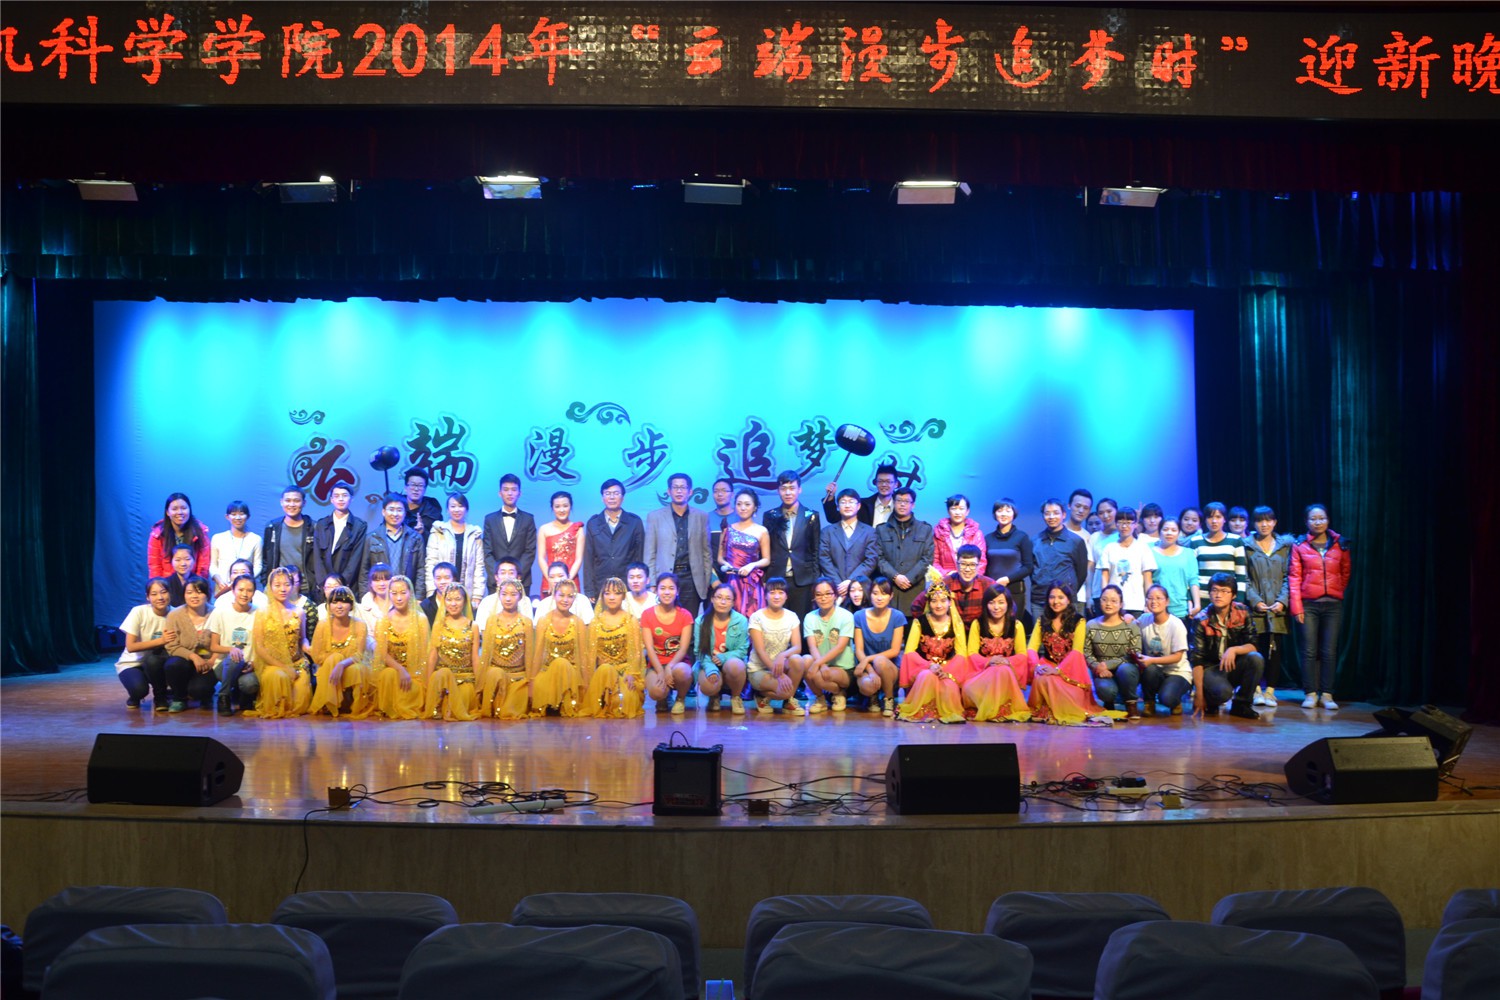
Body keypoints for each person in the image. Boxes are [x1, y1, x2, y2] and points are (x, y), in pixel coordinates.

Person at [1289, 503, 1351, 711]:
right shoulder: (1299, 545)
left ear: (1328, 520)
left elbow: (1345, 572)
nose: (1318, 522)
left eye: (1321, 518)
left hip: (1333, 605)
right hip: (1308, 605)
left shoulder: (1340, 543)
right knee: (1308, 650)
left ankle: (1327, 694)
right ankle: (1310, 693)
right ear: (1306, 522)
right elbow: (1294, 577)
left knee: (1329, 651)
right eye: (1313, 519)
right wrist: (1297, 607)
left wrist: (1336, 589)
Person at [1188, 572, 1266, 719]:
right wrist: (1199, 695)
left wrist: (1234, 650)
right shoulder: (1201, 619)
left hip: (1232, 665)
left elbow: (1253, 644)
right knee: (1223, 693)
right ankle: (1210, 699)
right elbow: (1196, 660)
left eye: (1224, 591)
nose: (1218, 595)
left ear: (1233, 595)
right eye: (1215, 590)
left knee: (1256, 659)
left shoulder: (1243, 611)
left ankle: (1241, 705)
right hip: (1210, 668)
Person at [1027, 584, 1108, 725]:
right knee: (1042, 678)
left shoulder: (1079, 621)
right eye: (1052, 597)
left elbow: (1077, 651)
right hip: (1048, 665)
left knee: (1050, 680)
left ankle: (1059, 710)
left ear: (1068, 600)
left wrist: (1058, 670)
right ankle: (1045, 712)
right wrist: (1037, 667)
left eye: (1060, 597)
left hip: (1071, 670)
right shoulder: (1042, 620)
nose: (1055, 601)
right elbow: (1031, 649)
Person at [897, 581, 973, 724]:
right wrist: (929, 666)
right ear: (928, 603)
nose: (939, 605)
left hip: (947, 670)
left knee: (948, 686)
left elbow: (961, 654)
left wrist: (946, 671)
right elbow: (909, 652)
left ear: (950, 602)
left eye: (943, 601)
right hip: (923, 668)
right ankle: (925, 711)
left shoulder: (956, 624)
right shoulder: (919, 622)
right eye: (934, 601)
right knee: (927, 677)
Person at [961, 585, 1034, 723]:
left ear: (1008, 604)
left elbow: (1022, 655)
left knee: (1002, 670)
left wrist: (1007, 662)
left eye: (1001, 602)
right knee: (995, 672)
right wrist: (990, 661)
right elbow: (971, 653)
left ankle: (996, 709)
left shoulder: (1016, 625)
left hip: (1006, 675)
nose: (996, 607)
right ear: (985, 604)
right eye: (991, 602)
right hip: (981, 677)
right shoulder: (978, 624)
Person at [1245, 506, 1294, 708]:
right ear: (1254, 523)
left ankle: (1271, 692)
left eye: (1268, 520)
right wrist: (1255, 601)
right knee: (1255, 650)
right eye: (1259, 520)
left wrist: (1282, 601)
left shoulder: (1285, 546)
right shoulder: (1247, 546)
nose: (1264, 524)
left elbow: (1290, 576)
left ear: (1274, 522)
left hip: (1277, 608)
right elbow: (1245, 578)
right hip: (1255, 609)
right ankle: (1256, 689)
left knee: (1275, 650)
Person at [644, 472, 712, 617]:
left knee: (690, 620)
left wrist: (705, 581)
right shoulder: (655, 517)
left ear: (690, 491)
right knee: (665, 620)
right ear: (669, 491)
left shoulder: (701, 516)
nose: (679, 491)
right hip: (665, 577)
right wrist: (652, 583)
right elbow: (650, 553)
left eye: (683, 487)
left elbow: (706, 552)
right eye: (675, 487)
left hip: (692, 579)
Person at [580, 576, 646, 719]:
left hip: (625, 672)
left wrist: (632, 674)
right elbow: (590, 656)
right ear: (602, 596)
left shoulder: (631, 620)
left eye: (616, 593)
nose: (611, 597)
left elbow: (636, 652)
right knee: (605, 670)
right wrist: (588, 682)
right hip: (603, 673)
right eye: (607, 593)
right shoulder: (595, 622)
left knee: (626, 703)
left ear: (623, 596)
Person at [250, 567, 312, 719]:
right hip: (273, 664)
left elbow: (302, 639)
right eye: (277, 585)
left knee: (299, 705)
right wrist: (284, 667)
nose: (282, 589)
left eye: (287, 584)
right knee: (278, 678)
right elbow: (259, 647)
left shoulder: (299, 612)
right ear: (270, 587)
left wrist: (309, 648)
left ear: (293, 586)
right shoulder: (262, 613)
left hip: (296, 662)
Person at [763, 471, 822, 619]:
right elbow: (766, 549)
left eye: (792, 488)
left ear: (799, 489)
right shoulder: (770, 516)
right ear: (778, 491)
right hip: (776, 577)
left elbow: (816, 550)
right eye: (783, 488)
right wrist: (765, 578)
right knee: (776, 620)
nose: (788, 492)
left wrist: (815, 580)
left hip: (803, 579)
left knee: (801, 620)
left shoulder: (811, 515)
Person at [747, 577, 810, 715]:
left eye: (781, 592)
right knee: (785, 691)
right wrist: (780, 676)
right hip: (759, 669)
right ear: (765, 596)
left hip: (780, 666)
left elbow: (797, 647)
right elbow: (760, 651)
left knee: (798, 659)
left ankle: (788, 702)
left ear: (786, 596)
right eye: (772, 592)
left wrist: (782, 655)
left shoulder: (792, 616)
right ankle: (761, 695)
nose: (776, 596)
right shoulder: (757, 617)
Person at [371, 574, 429, 720]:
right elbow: (381, 653)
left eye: (403, 593)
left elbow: (425, 653)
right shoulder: (383, 621)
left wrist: (411, 673)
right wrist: (400, 669)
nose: (399, 598)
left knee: (413, 690)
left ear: (410, 594)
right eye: (394, 593)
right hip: (392, 672)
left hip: (414, 674)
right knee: (388, 674)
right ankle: (389, 707)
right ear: (389, 594)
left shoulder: (421, 620)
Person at [307, 585, 370, 719]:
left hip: (350, 665)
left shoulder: (360, 625)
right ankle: (330, 703)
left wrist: (341, 664)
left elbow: (359, 655)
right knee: (335, 657)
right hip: (328, 667)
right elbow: (317, 657)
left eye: (344, 602)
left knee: (359, 670)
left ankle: (353, 707)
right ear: (329, 605)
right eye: (335, 602)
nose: (339, 606)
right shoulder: (322, 625)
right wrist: (336, 660)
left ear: (351, 605)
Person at [530, 578, 590, 716]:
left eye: (570, 596)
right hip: (548, 673)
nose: (565, 600)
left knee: (562, 663)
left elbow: (583, 656)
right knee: (558, 664)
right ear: (554, 596)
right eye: (561, 595)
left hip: (571, 674)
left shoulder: (578, 623)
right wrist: (532, 681)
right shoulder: (544, 620)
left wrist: (586, 684)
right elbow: (537, 653)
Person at [115, 578, 176, 711]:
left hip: (158, 662)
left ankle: (162, 696)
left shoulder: (176, 613)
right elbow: (131, 647)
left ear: (170, 594)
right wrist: (161, 641)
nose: (160, 597)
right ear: (147, 597)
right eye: (154, 594)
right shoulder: (139, 612)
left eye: (163, 592)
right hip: (133, 663)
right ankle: (134, 696)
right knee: (139, 690)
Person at [1084, 585, 1143, 719]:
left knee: (1126, 670)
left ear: (1121, 604)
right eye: (1104, 599)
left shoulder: (1131, 625)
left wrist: (1108, 665)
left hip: (1126, 669)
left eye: (1113, 601)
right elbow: (1086, 652)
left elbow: (1135, 653)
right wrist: (1098, 667)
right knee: (1106, 690)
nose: (1108, 604)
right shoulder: (1091, 625)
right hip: (1102, 671)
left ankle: (1131, 703)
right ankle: (1108, 702)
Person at [162, 575, 220, 712]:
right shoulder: (175, 615)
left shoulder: (217, 614)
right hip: (184, 661)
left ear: (207, 594)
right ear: (184, 595)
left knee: (199, 690)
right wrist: (193, 657)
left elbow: (224, 641)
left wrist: (212, 660)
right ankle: (179, 698)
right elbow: (172, 646)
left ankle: (206, 695)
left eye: (199, 592)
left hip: (208, 663)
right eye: (189, 592)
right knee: (173, 665)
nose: (194, 596)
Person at [477, 579, 533, 719]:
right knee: (495, 674)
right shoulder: (491, 620)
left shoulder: (526, 622)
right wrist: (481, 685)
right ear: (499, 595)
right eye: (504, 594)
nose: (508, 598)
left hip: (518, 678)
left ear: (520, 596)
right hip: (495, 676)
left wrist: (530, 683)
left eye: (513, 594)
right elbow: (486, 654)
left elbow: (529, 656)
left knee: (509, 711)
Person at [642, 572, 696, 714]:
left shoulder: (685, 615)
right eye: (663, 588)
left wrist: (669, 667)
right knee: (656, 692)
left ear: (677, 591)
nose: (667, 592)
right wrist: (660, 670)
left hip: (678, 663)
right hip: (656, 663)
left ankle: (680, 699)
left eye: (671, 588)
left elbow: (683, 649)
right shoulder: (647, 614)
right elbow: (649, 648)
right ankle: (663, 698)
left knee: (682, 672)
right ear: (656, 590)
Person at [1134, 584, 1192, 716]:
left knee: (1167, 698)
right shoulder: (1144, 619)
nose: (1154, 601)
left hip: (1177, 672)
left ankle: (1175, 700)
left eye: (1158, 598)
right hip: (1156, 671)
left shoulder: (1176, 624)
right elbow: (1130, 626)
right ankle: (1149, 702)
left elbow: (1177, 657)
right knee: (1149, 669)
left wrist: (1151, 660)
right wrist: (1127, 617)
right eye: (1150, 598)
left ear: (1167, 601)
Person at [693, 582, 750, 714]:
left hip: (730, 663)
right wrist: (710, 669)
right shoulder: (701, 621)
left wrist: (723, 657)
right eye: (719, 597)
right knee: (709, 686)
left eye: (728, 599)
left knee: (735, 665)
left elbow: (743, 649)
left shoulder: (741, 620)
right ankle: (714, 696)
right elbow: (698, 651)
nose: (723, 602)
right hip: (708, 663)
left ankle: (736, 697)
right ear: (712, 599)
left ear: (733, 602)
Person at [802, 577, 857, 714]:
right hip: (822, 665)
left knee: (818, 676)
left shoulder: (846, 616)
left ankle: (840, 693)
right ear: (814, 597)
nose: (823, 598)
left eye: (828, 594)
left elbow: (840, 647)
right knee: (805, 661)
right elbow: (812, 646)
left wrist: (818, 664)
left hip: (843, 669)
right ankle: (820, 698)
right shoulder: (810, 617)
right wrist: (821, 665)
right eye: (819, 594)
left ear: (835, 595)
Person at [426, 584, 481, 721]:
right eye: (449, 600)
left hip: (464, 678)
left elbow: (475, 657)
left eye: (457, 599)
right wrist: (428, 683)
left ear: (465, 601)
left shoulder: (473, 626)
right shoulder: (439, 625)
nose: (453, 604)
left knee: (458, 708)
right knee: (443, 675)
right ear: (444, 601)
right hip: (442, 678)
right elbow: (433, 654)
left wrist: (479, 685)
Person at [875, 487, 933, 615]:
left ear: (913, 505)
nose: (902, 504)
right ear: (894, 503)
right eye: (899, 501)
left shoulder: (925, 529)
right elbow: (878, 558)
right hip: (888, 591)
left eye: (906, 501)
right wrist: (895, 576)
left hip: (914, 591)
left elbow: (927, 559)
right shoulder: (881, 530)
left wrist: (909, 578)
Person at [584, 479, 645, 598]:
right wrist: (589, 590)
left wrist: (639, 586)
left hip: (627, 586)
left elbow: (640, 556)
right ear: (602, 498)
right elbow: (588, 559)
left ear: (623, 497)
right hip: (601, 586)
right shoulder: (593, 523)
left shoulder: (634, 522)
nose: (612, 497)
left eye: (616, 493)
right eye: (608, 493)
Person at [851, 577, 903, 716]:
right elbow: (859, 649)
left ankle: (889, 699)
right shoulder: (859, 616)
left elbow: (895, 650)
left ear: (891, 596)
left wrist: (868, 659)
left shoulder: (897, 616)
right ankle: (872, 697)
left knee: (880, 661)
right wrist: (870, 670)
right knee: (867, 685)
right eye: (875, 593)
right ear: (870, 594)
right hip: (867, 667)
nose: (879, 598)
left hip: (890, 668)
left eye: (884, 594)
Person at [208, 573, 259, 715]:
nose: (245, 594)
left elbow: (262, 645)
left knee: (250, 684)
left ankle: (244, 695)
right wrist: (231, 649)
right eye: (241, 590)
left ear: (254, 592)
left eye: (249, 590)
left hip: (248, 666)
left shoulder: (259, 613)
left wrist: (254, 663)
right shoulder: (220, 612)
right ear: (233, 590)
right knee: (235, 656)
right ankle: (224, 696)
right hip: (224, 665)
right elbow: (213, 646)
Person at [1031, 498, 1089, 621]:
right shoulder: (1035, 541)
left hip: (1066, 600)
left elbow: (1082, 573)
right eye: (1047, 513)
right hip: (1039, 600)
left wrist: (1069, 590)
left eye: (1056, 513)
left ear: (1063, 515)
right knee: (1039, 633)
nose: (1051, 517)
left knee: (1067, 632)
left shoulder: (1076, 541)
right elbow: (1032, 570)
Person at [818, 488, 878, 603]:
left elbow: (871, 560)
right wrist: (839, 585)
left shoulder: (869, 532)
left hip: (860, 589)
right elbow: (824, 559)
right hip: (835, 589)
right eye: (843, 502)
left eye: (851, 502)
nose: (847, 505)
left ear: (859, 506)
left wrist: (851, 582)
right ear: (837, 506)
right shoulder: (827, 532)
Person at [910, 544, 992, 628]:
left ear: (979, 565)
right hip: (951, 634)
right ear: (957, 564)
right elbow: (916, 605)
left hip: (978, 633)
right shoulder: (943, 584)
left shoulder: (988, 585)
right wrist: (928, 626)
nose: (967, 569)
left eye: (972, 565)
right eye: (963, 564)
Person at [483, 473, 538, 596]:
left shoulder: (528, 519)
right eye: (506, 489)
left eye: (513, 490)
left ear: (519, 493)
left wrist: (516, 575)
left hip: (521, 580)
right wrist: (498, 575)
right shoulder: (490, 519)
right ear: (500, 493)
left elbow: (530, 551)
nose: (510, 493)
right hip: (496, 582)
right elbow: (487, 551)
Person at [718, 488, 770, 616]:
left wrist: (752, 565)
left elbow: (766, 559)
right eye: (739, 504)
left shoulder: (762, 531)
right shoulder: (727, 530)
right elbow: (720, 558)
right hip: (732, 580)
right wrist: (727, 565)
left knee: (753, 616)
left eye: (747, 504)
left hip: (752, 580)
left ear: (755, 507)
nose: (743, 508)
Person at [424, 492, 486, 600]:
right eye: (453, 506)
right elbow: (431, 564)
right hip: (441, 593)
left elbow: (479, 567)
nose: (456, 510)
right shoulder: (438, 532)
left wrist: (477, 595)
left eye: (460, 506)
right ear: (447, 510)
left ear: (466, 509)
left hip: (467, 593)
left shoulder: (475, 534)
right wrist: (431, 592)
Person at [1099, 507, 1157, 618]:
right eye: (1120, 522)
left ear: (1135, 524)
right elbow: (1104, 577)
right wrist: (1104, 599)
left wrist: (1148, 602)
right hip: (1113, 604)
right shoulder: (1109, 548)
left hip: (1136, 604)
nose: (1124, 526)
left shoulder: (1143, 548)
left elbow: (1147, 579)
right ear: (1116, 524)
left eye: (1129, 523)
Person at [311, 485, 367, 600]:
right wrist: (325, 585)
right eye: (336, 496)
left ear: (351, 498)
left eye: (344, 495)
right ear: (331, 500)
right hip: (323, 587)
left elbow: (355, 559)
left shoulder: (359, 526)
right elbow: (317, 557)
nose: (340, 499)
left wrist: (339, 585)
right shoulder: (321, 524)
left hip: (347, 586)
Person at [984, 498, 1034, 622]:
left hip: (1014, 590)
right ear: (994, 514)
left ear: (1014, 513)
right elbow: (984, 565)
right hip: (993, 590)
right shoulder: (988, 538)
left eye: (1008, 510)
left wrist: (1008, 579)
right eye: (1000, 510)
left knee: (1012, 627)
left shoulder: (1022, 537)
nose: (1004, 514)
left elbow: (1028, 567)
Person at [260, 486, 316, 598]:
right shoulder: (272, 527)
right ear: (281, 502)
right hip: (279, 587)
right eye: (288, 500)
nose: (292, 504)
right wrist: (266, 581)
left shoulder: (313, 528)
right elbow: (266, 559)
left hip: (305, 588)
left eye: (296, 501)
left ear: (304, 503)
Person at [361, 493, 422, 586]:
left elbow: (421, 570)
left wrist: (418, 594)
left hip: (406, 591)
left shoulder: (415, 538)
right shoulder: (371, 538)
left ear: (405, 513)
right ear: (383, 512)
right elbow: (364, 571)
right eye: (391, 509)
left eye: (399, 510)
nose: (395, 514)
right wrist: (365, 594)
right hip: (380, 591)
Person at [147, 492, 211, 581]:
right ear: (167, 512)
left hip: (193, 585)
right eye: (174, 509)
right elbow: (155, 567)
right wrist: (161, 587)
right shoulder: (157, 535)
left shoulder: (200, 532)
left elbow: (203, 565)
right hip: (166, 585)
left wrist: (196, 586)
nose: (180, 512)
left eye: (184, 508)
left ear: (190, 510)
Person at [1192, 502, 1248, 600]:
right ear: (1205, 520)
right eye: (1210, 517)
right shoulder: (1196, 541)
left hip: (1227, 597)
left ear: (1224, 519)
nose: (1214, 521)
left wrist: (1239, 599)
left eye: (1218, 517)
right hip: (1203, 596)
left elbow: (1241, 575)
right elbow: (1192, 575)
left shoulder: (1235, 541)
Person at [536, 490, 585, 595]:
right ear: (552, 508)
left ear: (570, 507)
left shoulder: (578, 529)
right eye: (557, 506)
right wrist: (550, 579)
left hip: (571, 578)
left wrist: (567, 580)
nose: (561, 510)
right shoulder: (544, 529)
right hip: (549, 580)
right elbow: (541, 558)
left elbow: (579, 559)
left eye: (565, 506)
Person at [1151, 519, 1200, 622]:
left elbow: (1193, 580)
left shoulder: (1188, 553)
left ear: (1179, 533)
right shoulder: (1150, 552)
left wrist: (1197, 604)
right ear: (1159, 531)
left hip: (1181, 609)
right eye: (1165, 529)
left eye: (1173, 530)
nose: (1169, 533)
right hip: (1156, 607)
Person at [210, 500, 261, 597]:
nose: (238, 518)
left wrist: (245, 580)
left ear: (248, 516)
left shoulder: (255, 539)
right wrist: (218, 580)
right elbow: (213, 565)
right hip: (223, 588)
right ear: (227, 517)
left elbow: (258, 565)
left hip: (246, 589)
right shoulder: (217, 538)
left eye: (241, 514)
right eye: (233, 514)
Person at [822, 463, 899, 527]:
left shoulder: (901, 506)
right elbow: (834, 518)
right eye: (880, 481)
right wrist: (830, 497)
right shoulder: (863, 505)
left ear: (896, 484)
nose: (884, 485)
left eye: (888, 481)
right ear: (875, 482)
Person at [933, 494, 986, 576]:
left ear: (967, 511)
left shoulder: (977, 534)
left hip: (969, 579)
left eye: (961, 509)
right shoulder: (939, 532)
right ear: (948, 511)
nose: (957, 512)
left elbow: (981, 562)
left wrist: (968, 578)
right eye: (953, 509)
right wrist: (947, 574)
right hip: (945, 580)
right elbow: (934, 560)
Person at [474, 558, 534, 629]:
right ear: (496, 577)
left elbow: (529, 628)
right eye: (503, 573)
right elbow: (481, 628)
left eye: (511, 573)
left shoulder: (525, 601)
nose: (507, 577)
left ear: (518, 577)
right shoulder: (487, 602)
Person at [1086, 497, 1119, 614]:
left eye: (1109, 511)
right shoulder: (1094, 537)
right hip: (1098, 593)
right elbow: (1090, 569)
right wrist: (1088, 596)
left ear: (1116, 511)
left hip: (1120, 593)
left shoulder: (1122, 536)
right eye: (1101, 513)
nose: (1105, 515)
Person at [401, 466, 444, 548]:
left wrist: (423, 532)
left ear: (425, 488)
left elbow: (440, 539)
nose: (416, 489)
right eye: (413, 485)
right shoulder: (397, 507)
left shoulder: (432, 509)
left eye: (420, 485)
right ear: (406, 487)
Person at [708, 478, 735, 581]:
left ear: (732, 494)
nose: (720, 494)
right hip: (713, 578)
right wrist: (713, 580)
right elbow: (702, 553)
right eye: (716, 491)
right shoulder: (706, 518)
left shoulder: (741, 518)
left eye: (724, 490)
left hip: (738, 576)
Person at [358, 562, 394, 638]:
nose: (382, 584)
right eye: (377, 580)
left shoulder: (399, 603)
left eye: (386, 579)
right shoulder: (365, 605)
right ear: (371, 583)